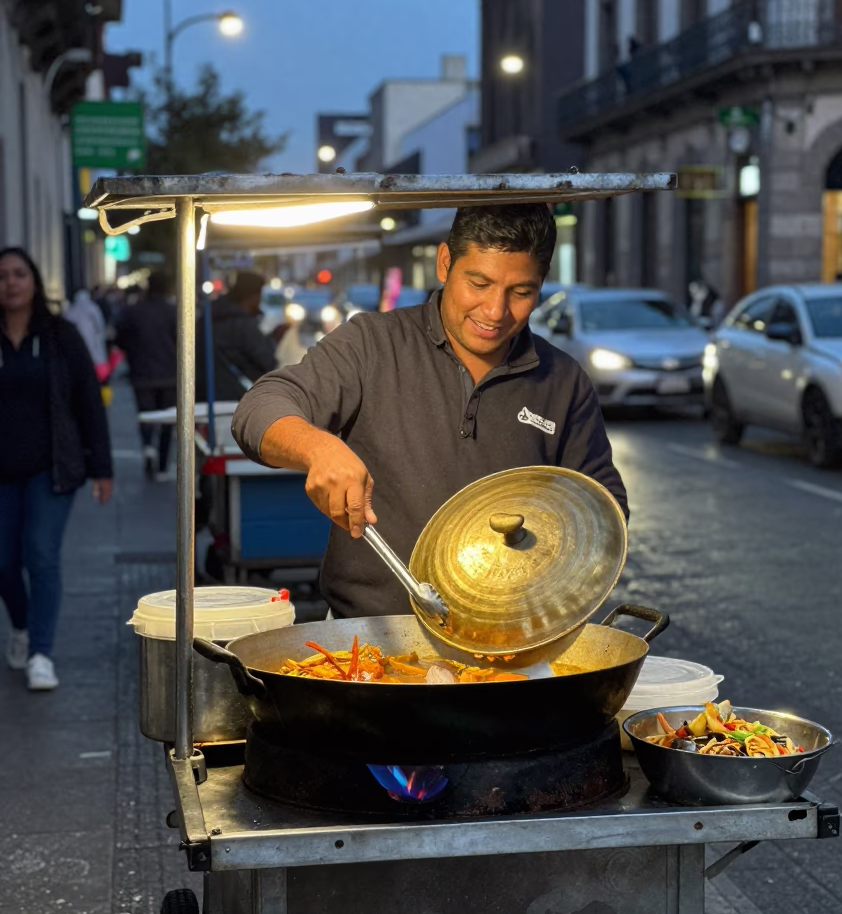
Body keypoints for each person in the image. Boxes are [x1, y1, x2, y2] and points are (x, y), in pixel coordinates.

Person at [232, 204, 628, 619]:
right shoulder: (371, 344)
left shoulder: (563, 380)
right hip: (370, 638)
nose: (495, 311)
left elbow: (604, 508)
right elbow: (259, 407)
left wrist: (551, 543)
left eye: (521, 292)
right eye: (479, 283)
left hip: (508, 645)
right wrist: (317, 446)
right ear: (445, 263)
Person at [0, 248, 113, 690]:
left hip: (52, 468)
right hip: (2, 473)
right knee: (4, 563)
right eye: (2, 275)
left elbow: (88, 399)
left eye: (18, 274)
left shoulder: (59, 335)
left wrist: (102, 467)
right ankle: (23, 628)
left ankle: (41, 654)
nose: (9, 282)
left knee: (40, 554)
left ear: (33, 280)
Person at [115, 271, 177, 480]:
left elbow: (119, 337)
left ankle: (148, 446)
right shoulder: (173, 311)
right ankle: (162, 465)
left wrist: (133, 353)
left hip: (141, 372)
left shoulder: (133, 311)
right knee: (169, 419)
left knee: (145, 414)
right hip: (170, 372)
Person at [201, 271, 277, 402]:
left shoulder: (208, 317)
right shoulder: (243, 324)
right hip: (235, 396)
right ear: (253, 296)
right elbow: (267, 361)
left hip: (203, 392)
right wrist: (273, 340)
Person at [64, 288, 107, 369]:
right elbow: (100, 324)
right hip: (91, 339)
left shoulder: (72, 310)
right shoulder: (93, 308)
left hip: (82, 340)